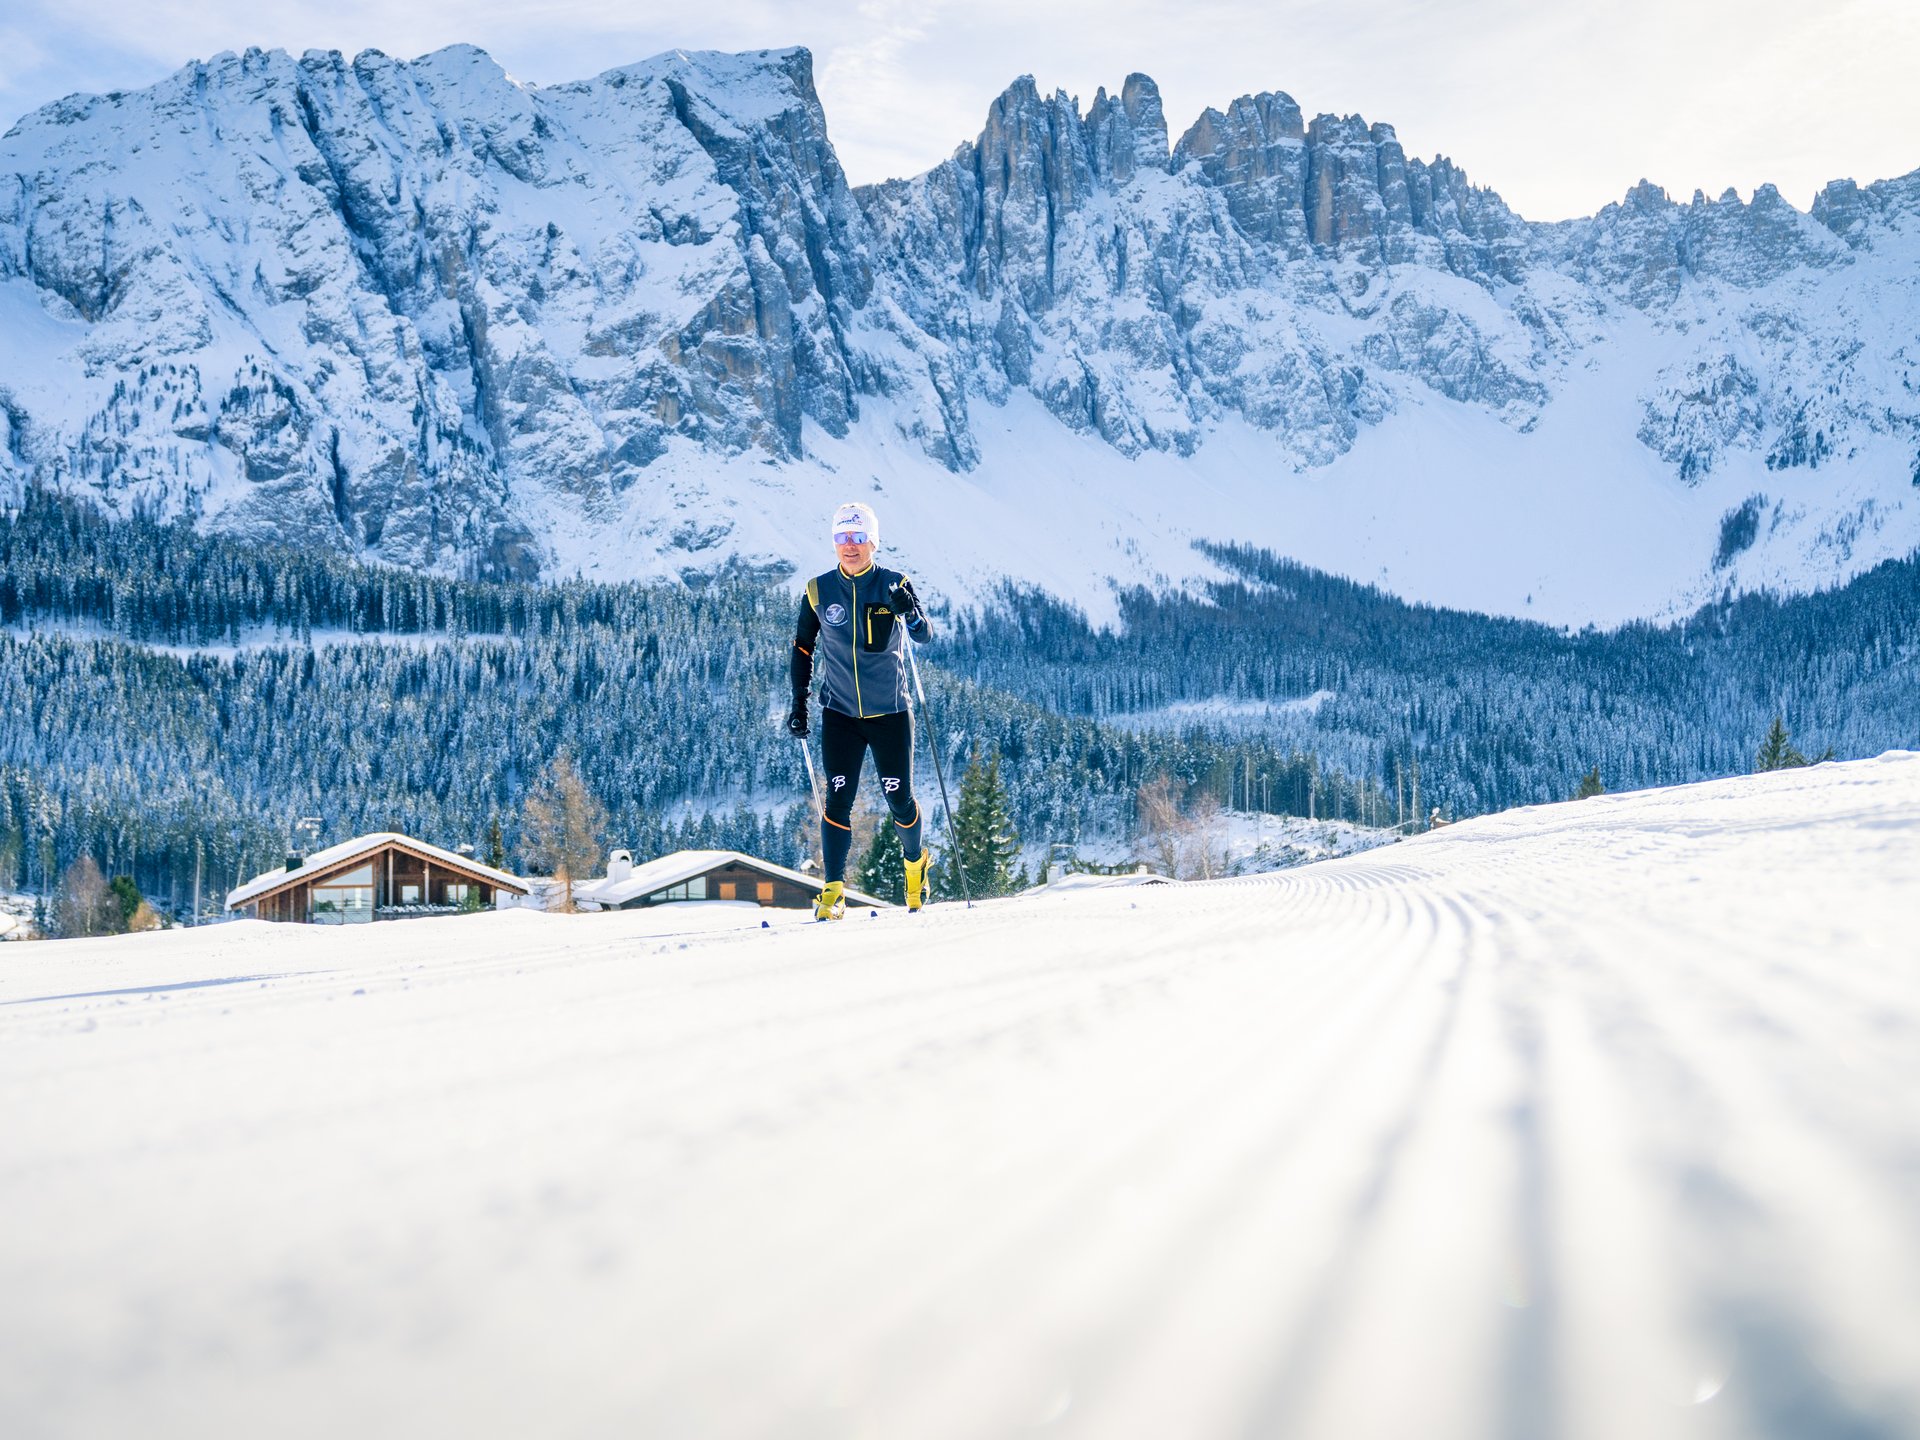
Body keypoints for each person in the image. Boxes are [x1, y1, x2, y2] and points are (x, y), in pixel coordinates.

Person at [788, 501, 932, 918]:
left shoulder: (893, 584)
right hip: (840, 714)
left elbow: (923, 635)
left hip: (889, 712)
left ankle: (914, 865)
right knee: (837, 801)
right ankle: (833, 891)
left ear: (872, 541)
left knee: (899, 799)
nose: (849, 546)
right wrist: (799, 702)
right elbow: (802, 646)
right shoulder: (818, 590)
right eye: (841, 538)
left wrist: (910, 614)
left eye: (857, 538)